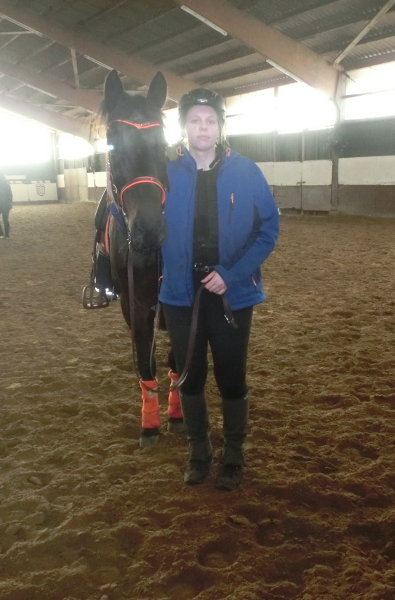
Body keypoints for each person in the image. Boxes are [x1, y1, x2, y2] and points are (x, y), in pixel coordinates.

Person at [161, 88, 279, 491]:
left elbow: (268, 229)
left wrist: (231, 273)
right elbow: (137, 218)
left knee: (231, 376)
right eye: (195, 120)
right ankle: (199, 452)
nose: (203, 128)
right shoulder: (165, 173)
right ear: (184, 127)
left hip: (231, 292)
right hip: (181, 294)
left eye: (210, 120)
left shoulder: (247, 171)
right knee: (190, 377)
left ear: (220, 126)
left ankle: (233, 453)